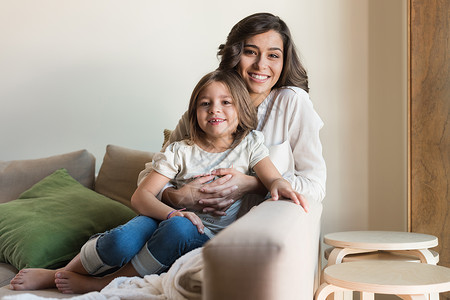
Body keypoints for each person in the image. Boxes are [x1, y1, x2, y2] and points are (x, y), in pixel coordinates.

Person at [9, 70, 308, 294]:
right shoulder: (180, 151)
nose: (215, 109)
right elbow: (142, 198)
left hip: (202, 235)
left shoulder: (250, 145)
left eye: (225, 102)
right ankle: (60, 272)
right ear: (194, 113)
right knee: (123, 238)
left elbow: (271, 176)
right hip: (165, 219)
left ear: (241, 110)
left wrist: (278, 185)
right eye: (205, 103)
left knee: (181, 228)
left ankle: (104, 283)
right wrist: (174, 210)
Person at [148, 12, 326, 216]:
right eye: (250, 52)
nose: (261, 65)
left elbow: (316, 187)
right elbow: (148, 176)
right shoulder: (207, 110)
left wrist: (255, 184)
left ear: (284, 62)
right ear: (234, 54)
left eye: (273, 55)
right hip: (191, 227)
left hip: (255, 231)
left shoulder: (292, 101)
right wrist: (176, 196)